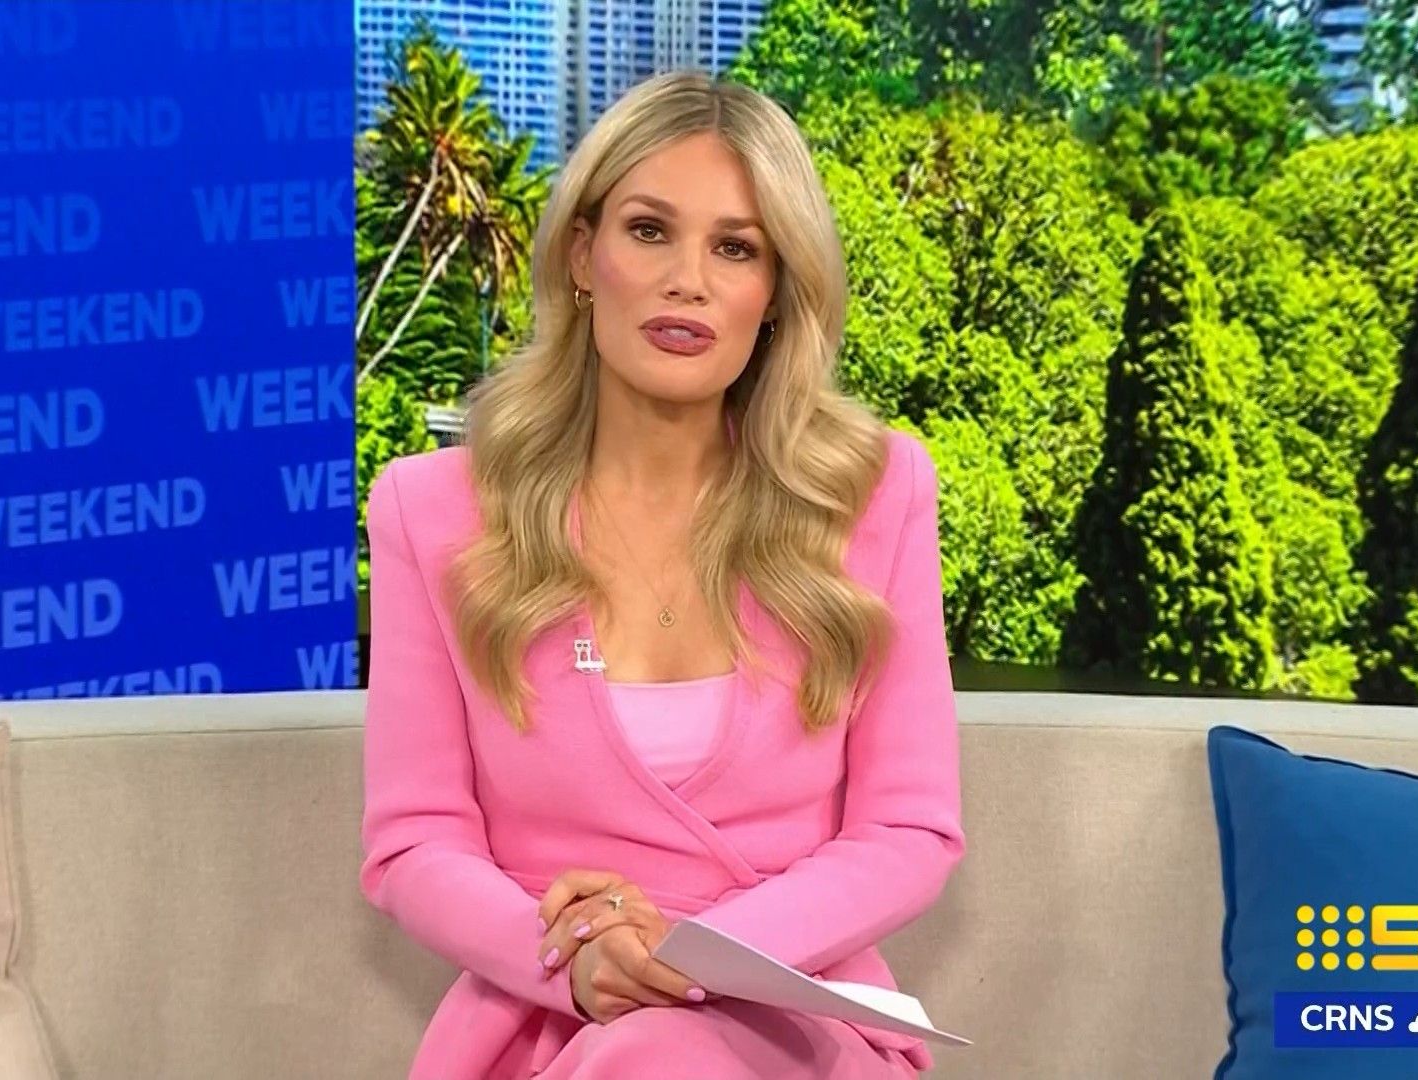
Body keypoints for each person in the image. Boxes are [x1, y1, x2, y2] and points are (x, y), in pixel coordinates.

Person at [360, 69, 965, 1079]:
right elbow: (412, 843)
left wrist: (693, 955)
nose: (689, 279)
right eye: (650, 231)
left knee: (661, 1053)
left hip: (796, 1019)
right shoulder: (434, 512)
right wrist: (576, 956)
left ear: (775, 294)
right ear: (583, 254)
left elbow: (910, 831)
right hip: (546, 1020)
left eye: (736, 248)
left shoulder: (872, 494)